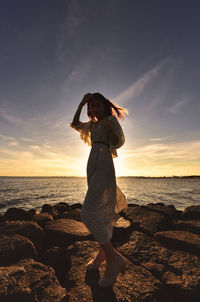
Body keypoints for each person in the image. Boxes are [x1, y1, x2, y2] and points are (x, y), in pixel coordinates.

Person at [70, 92, 128, 288]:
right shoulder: (92, 126)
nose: (95, 109)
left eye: (97, 105)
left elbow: (119, 141)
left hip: (104, 160)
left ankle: (113, 259)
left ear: (104, 106)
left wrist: (110, 130)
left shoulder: (110, 120)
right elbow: (75, 123)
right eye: (92, 107)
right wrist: (81, 102)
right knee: (99, 212)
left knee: (87, 213)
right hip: (92, 161)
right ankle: (101, 255)